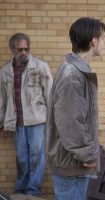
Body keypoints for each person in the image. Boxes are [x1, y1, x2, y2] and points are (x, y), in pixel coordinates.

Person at [45, 17, 105, 200]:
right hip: (72, 164)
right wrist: (88, 155)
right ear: (93, 41)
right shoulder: (72, 75)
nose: (103, 42)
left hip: (75, 161)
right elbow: (70, 123)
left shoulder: (78, 71)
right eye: (102, 38)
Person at [0, 33, 53, 196]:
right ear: (12, 49)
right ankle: (21, 189)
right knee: (22, 158)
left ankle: (33, 191)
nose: (24, 52)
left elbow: (50, 94)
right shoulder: (5, 72)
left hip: (37, 120)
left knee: (36, 156)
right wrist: (1, 123)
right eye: (20, 49)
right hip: (15, 122)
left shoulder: (40, 67)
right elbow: (2, 99)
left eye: (26, 49)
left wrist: (52, 121)